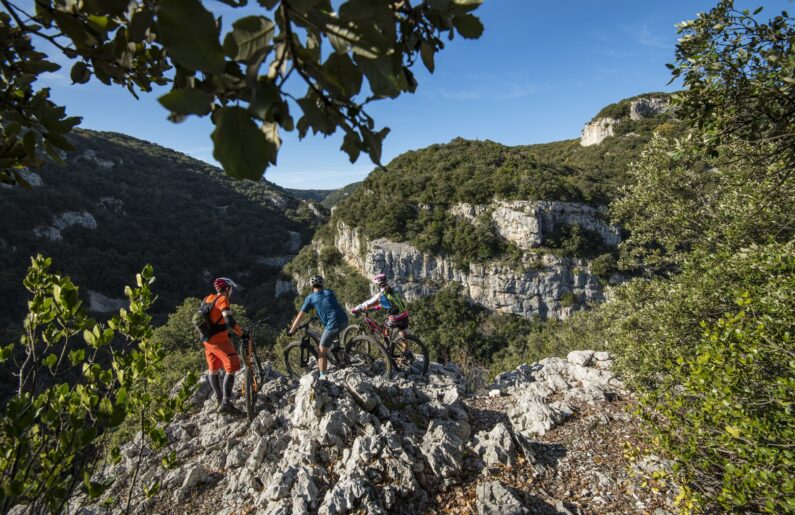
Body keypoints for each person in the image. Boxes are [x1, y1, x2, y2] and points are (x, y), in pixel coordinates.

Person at [288, 275, 348, 379]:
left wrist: (292, 331)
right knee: (333, 335)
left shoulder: (310, 298)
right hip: (345, 320)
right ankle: (339, 354)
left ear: (312, 286)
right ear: (322, 284)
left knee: (321, 351)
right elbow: (328, 305)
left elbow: (300, 316)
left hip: (333, 323)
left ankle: (323, 376)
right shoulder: (329, 291)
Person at [203, 277, 247, 416]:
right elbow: (229, 321)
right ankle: (226, 403)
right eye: (231, 289)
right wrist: (241, 333)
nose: (232, 291)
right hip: (219, 341)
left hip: (207, 340)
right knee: (232, 366)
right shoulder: (223, 300)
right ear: (227, 289)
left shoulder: (207, 299)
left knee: (213, 368)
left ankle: (218, 398)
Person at [351, 272, 409, 337]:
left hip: (395, 318)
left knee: (385, 327)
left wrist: (356, 309)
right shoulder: (393, 291)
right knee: (403, 336)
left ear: (378, 285)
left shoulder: (381, 295)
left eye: (376, 284)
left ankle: (387, 344)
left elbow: (368, 303)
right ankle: (405, 346)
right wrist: (377, 307)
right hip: (405, 315)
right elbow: (390, 303)